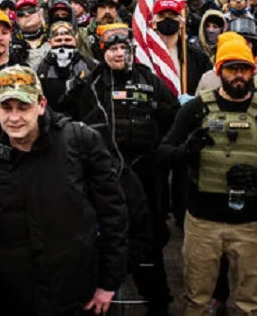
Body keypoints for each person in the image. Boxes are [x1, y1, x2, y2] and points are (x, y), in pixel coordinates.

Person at [0, 66, 128, 316]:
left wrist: (109, 282)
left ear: (41, 104)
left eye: (23, 107)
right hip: (12, 297)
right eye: (7, 107)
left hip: (76, 293)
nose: (14, 117)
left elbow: (113, 215)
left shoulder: (80, 141)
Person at [59, 23, 177, 314]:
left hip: (147, 171)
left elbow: (174, 116)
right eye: (113, 49)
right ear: (103, 52)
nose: (119, 53)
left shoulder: (149, 79)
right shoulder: (92, 81)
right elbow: (63, 115)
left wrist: (162, 148)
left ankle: (158, 301)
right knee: (110, 232)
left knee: (151, 237)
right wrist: (73, 90)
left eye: (124, 48)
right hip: (106, 173)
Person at [163, 32, 257, 316]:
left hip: (251, 224)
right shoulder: (195, 109)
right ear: (219, 71)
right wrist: (187, 151)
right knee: (197, 300)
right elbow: (163, 154)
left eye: (244, 69)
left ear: (253, 71)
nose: (238, 76)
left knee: (252, 304)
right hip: (203, 222)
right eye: (231, 68)